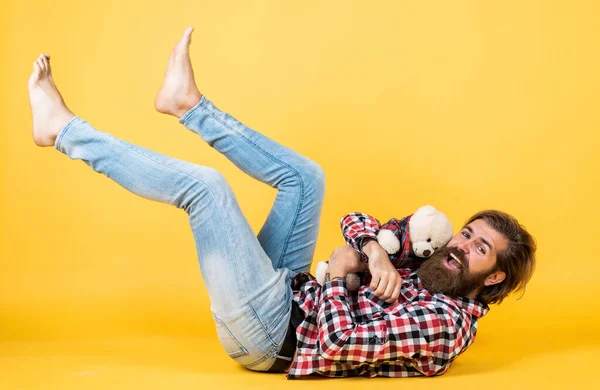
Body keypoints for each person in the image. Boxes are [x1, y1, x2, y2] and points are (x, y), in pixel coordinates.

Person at [27, 26, 536, 379]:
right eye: (468, 233)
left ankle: (65, 132)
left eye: (479, 249)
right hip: (291, 289)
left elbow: (338, 345)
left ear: (493, 277)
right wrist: (373, 250)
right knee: (306, 178)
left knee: (206, 188)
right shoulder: (432, 258)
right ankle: (187, 105)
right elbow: (359, 220)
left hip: (272, 335)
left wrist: (340, 270)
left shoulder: (446, 324)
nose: (461, 245)